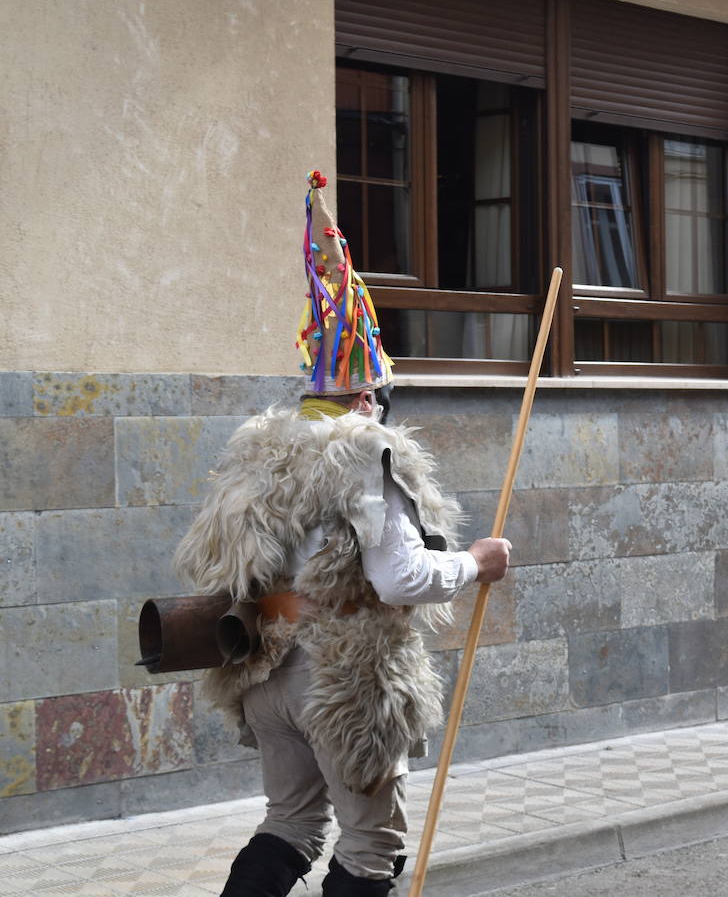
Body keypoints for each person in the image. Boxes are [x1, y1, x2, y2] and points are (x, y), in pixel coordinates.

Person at [174, 171, 510, 896]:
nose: (380, 411)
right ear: (366, 395)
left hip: (264, 674)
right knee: (369, 847)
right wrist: (477, 563)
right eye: (379, 399)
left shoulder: (260, 447)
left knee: (288, 822)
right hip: (342, 681)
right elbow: (400, 578)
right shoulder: (364, 446)